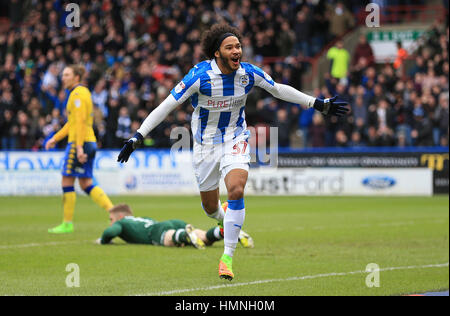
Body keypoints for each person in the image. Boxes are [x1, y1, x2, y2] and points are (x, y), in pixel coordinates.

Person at [117, 24, 349, 281]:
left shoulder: (248, 74)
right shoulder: (199, 76)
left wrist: (316, 103)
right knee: (209, 207)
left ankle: (227, 257)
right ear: (217, 53)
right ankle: (223, 218)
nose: (237, 51)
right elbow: (166, 106)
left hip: (235, 138)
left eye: (238, 46)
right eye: (230, 47)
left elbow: (278, 88)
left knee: (237, 188)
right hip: (205, 146)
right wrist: (138, 136)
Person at [45, 65, 114, 234]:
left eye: (67, 74)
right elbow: (73, 123)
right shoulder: (82, 93)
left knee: (67, 180)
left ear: (77, 77)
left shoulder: (77, 95)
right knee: (86, 183)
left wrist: (79, 147)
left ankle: (67, 223)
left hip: (80, 142)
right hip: (88, 141)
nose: (63, 78)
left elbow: (81, 122)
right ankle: (115, 212)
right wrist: (55, 138)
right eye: (63, 75)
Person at [96, 202, 254, 249]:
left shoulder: (122, 223)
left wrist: (103, 240)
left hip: (158, 231)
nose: (111, 222)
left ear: (121, 217)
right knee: (205, 238)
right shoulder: (140, 219)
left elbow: (112, 230)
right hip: (169, 222)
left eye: (111, 218)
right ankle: (226, 232)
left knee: (171, 240)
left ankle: (185, 235)